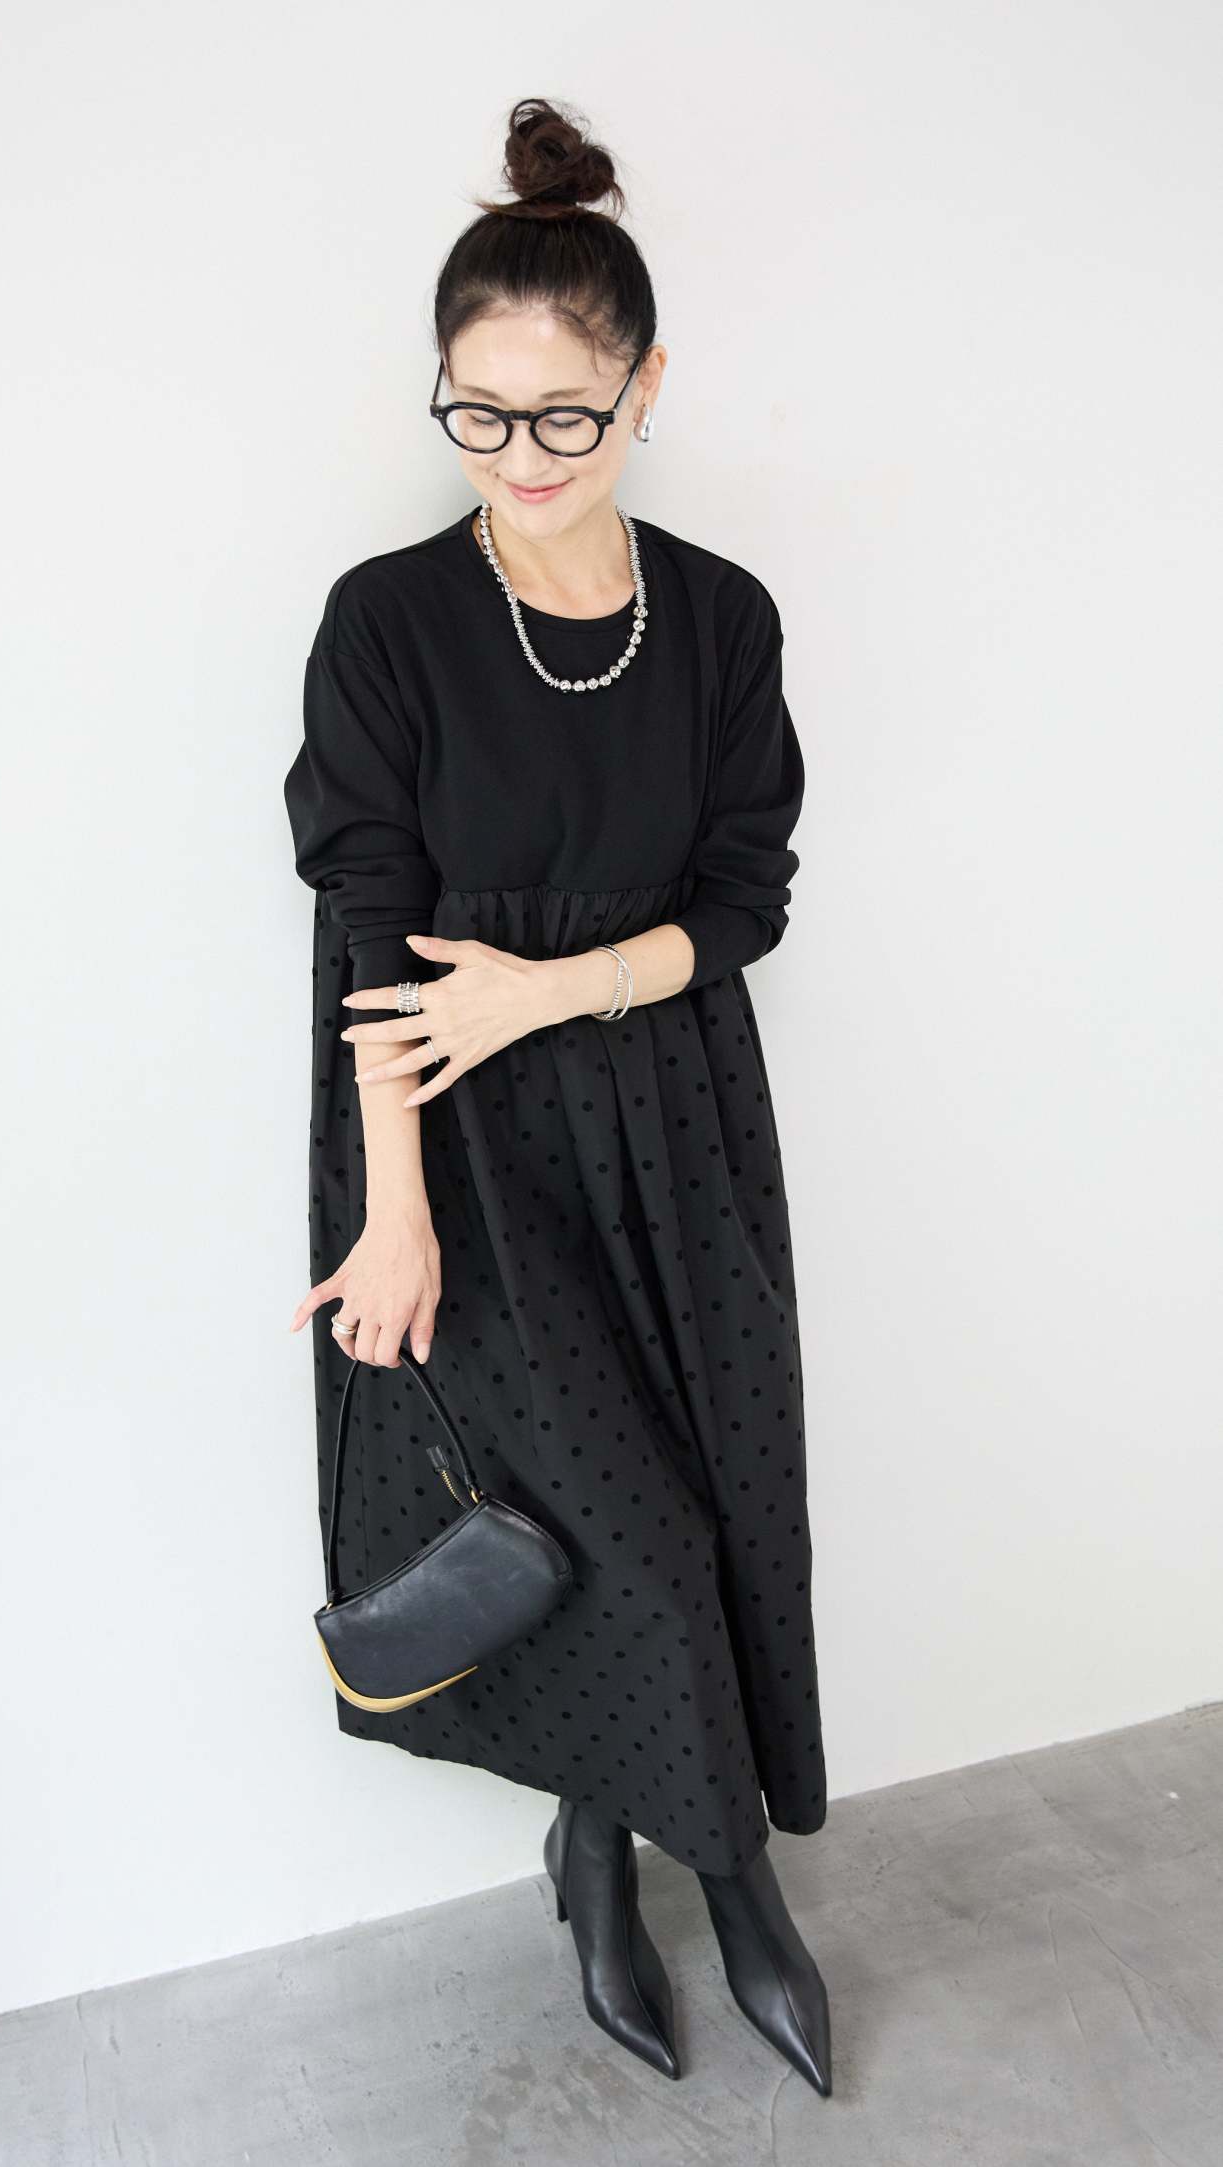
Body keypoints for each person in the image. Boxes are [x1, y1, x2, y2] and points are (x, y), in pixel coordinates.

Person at [283, 96, 831, 2095]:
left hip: (680, 1120)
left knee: (716, 1507)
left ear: (645, 388)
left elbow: (744, 901)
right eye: (479, 414)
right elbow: (369, 940)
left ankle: (607, 1858)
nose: (520, 456)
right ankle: (725, 1883)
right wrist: (393, 1211)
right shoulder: (390, 622)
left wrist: (560, 988)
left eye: (565, 416)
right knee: (616, 1537)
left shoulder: (723, 619)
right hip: (461, 1151)